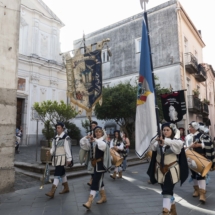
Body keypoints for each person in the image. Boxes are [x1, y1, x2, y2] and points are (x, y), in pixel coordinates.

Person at [147, 123, 188, 215]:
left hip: (172, 169)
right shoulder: (158, 141)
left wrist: (164, 141)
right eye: (164, 130)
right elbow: (150, 147)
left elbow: (179, 145)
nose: (165, 132)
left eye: (167, 130)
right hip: (160, 169)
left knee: (167, 190)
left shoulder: (176, 141)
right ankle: (173, 209)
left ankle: (166, 211)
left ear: (172, 131)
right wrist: (155, 139)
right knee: (167, 191)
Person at [80, 126, 111, 210]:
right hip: (93, 165)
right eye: (96, 132)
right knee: (99, 181)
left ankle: (89, 202)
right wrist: (86, 137)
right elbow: (82, 144)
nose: (98, 133)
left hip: (100, 165)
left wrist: (95, 140)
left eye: (99, 132)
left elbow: (102, 146)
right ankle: (103, 197)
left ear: (102, 133)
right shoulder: (93, 141)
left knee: (95, 182)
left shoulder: (103, 142)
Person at [45, 122, 72, 198]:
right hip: (56, 158)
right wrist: (49, 152)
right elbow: (53, 148)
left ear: (63, 128)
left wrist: (69, 158)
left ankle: (52, 191)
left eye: (59, 127)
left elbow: (67, 149)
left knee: (57, 173)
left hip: (62, 158)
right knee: (62, 172)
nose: (57, 129)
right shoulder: (55, 138)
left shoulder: (66, 137)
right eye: (57, 127)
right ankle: (66, 188)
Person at [186, 121, 208, 203]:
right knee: (193, 175)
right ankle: (196, 190)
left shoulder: (202, 135)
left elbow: (208, 144)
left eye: (191, 127)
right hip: (190, 158)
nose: (189, 129)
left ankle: (202, 194)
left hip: (199, 157)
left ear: (195, 127)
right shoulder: (187, 136)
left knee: (201, 175)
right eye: (189, 127)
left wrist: (198, 145)